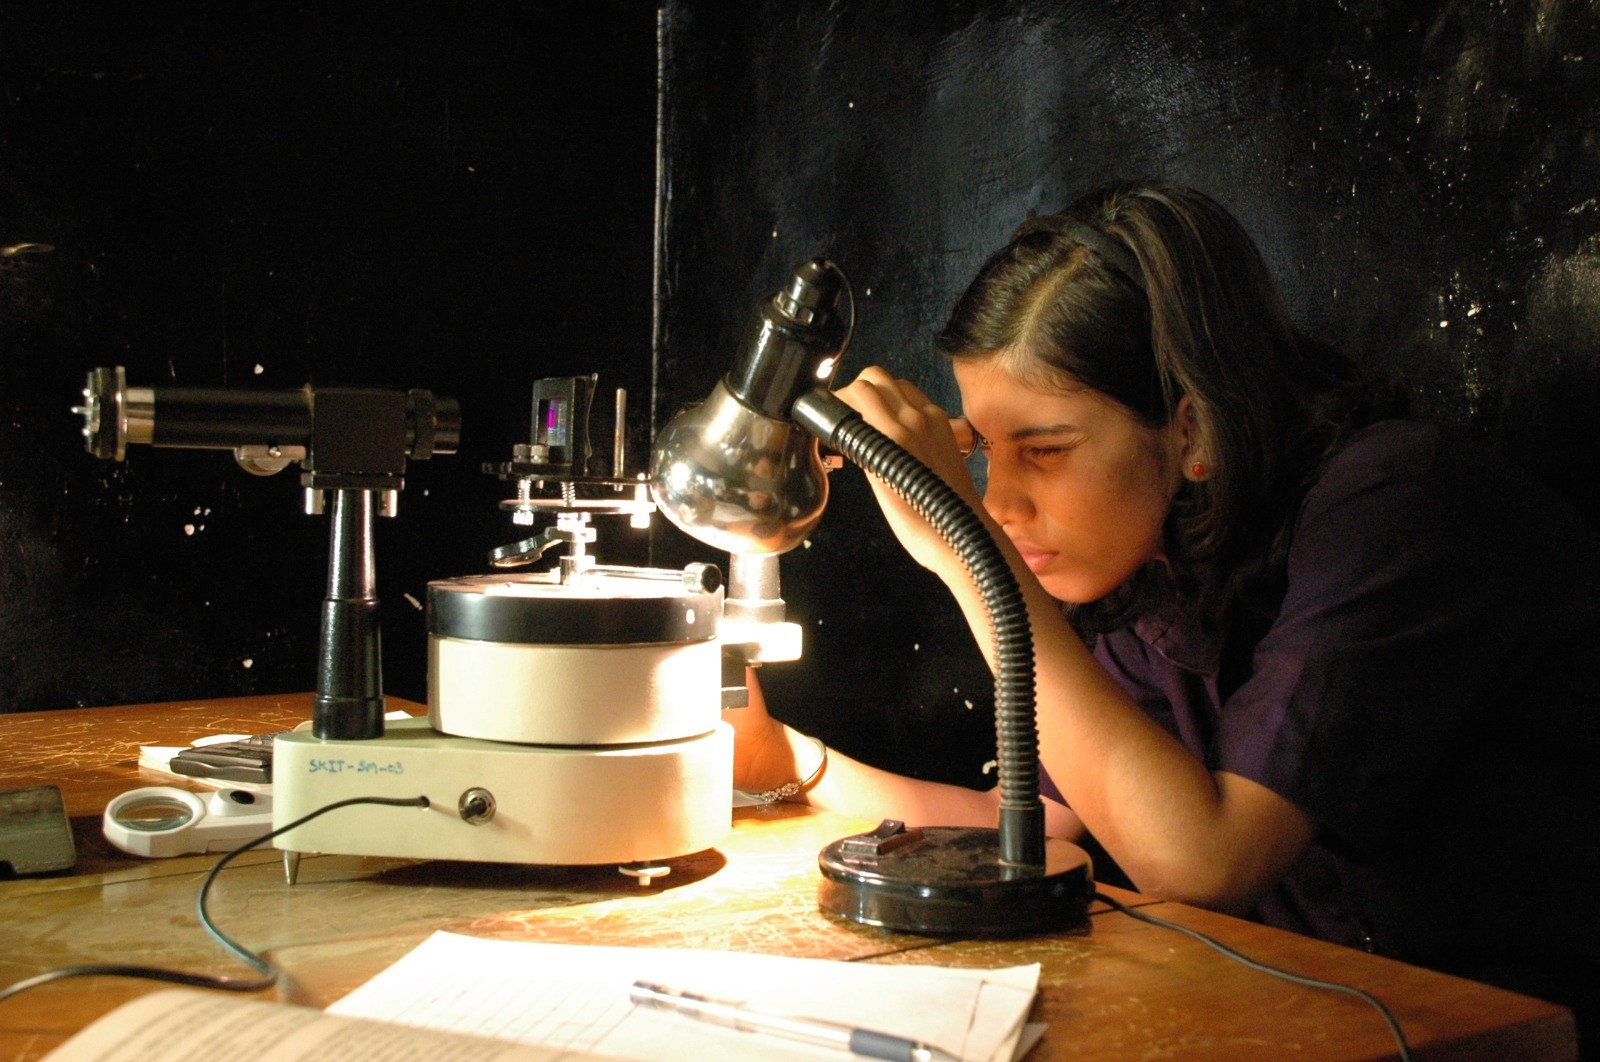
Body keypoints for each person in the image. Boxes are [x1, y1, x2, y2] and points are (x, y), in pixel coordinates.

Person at [727, 181, 1600, 1049]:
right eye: (989, 453)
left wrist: (968, 558)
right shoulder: (1156, 569)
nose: (1000, 502)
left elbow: (1202, 860)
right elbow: (1032, 822)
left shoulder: (1395, 505)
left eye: (1045, 450)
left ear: (1192, 431)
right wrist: (784, 760)